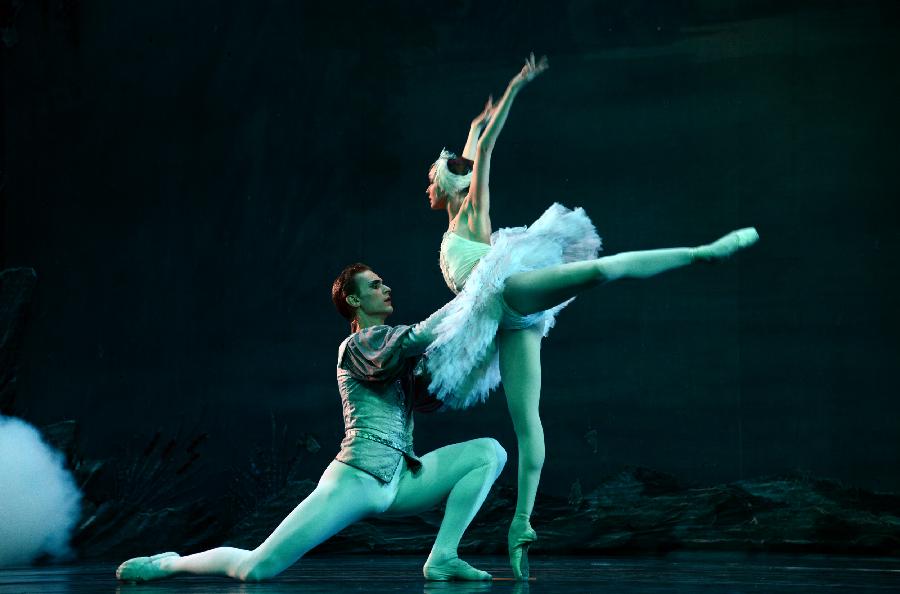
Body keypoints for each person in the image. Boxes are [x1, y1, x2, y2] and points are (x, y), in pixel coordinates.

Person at [423, 53, 759, 579]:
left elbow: (484, 151)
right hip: (504, 321)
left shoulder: (472, 213)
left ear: (451, 187)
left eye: (436, 176)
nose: (431, 182)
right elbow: (474, 143)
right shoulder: (454, 221)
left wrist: (513, 87)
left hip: (510, 289)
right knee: (528, 425)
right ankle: (521, 525)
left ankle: (701, 252)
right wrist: (472, 125)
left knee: (601, 272)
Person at [115, 263, 507, 583]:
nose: (386, 287)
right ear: (354, 299)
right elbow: (416, 338)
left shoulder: (393, 349)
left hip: (401, 480)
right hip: (356, 478)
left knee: (489, 452)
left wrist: (490, 328)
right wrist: (473, 297)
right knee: (255, 568)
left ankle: (442, 557)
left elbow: (432, 389)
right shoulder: (358, 345)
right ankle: (167, 564)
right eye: (375, 284)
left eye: (384, 282)